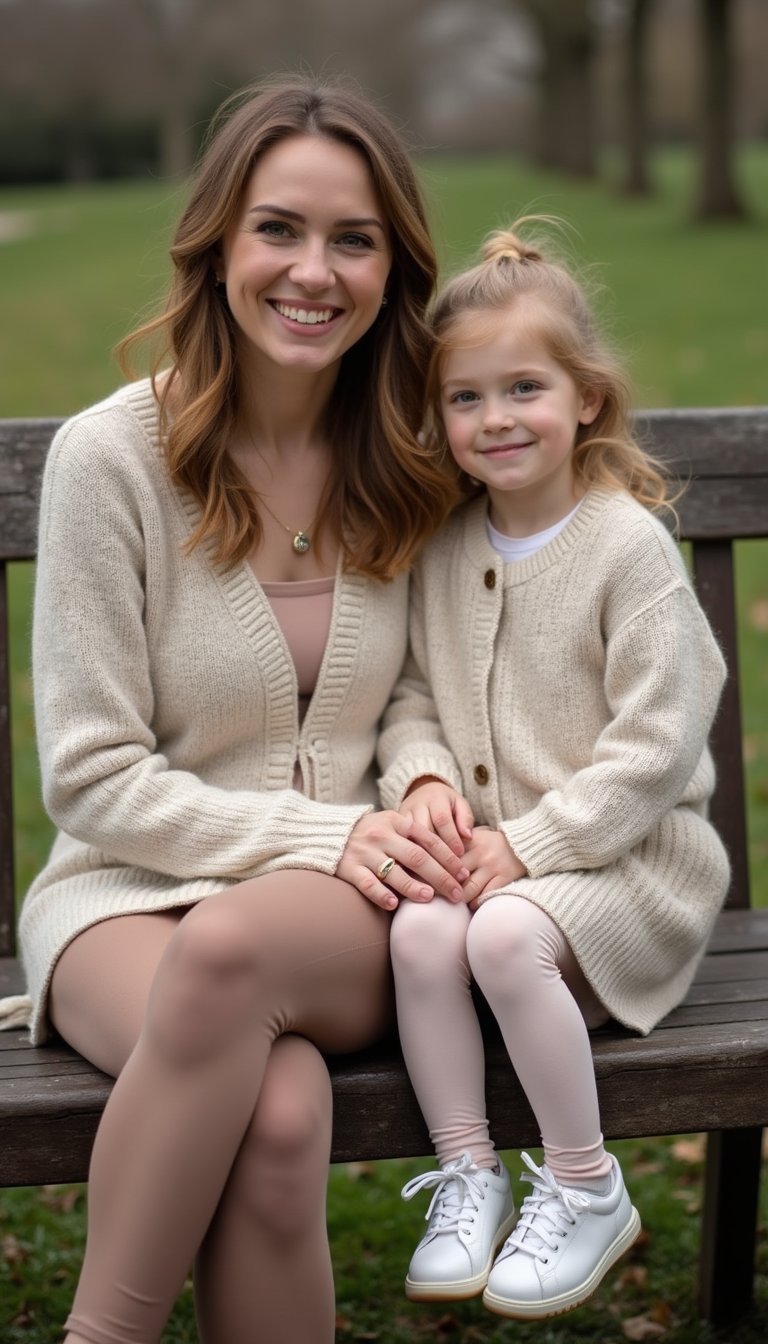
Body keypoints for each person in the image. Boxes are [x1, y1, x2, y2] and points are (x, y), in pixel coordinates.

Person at [5, 75, 469, 1344]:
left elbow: (429, 685)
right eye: (279, 228)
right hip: (127, 891)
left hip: (343, 915)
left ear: (391, 270)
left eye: (353, 239)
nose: (312, 271)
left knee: (236, 955)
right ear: (217, 245)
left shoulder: (412, 455)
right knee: (277, 1111)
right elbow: (92, 780)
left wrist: (423, 781)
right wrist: (327, 836)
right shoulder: (113, 463)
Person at [377, 219, 731, 1321]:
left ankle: (585, 1184)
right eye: (466, 398)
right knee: (421, 929)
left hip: (632, 869)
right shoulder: (444, 548)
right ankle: (470, 1171)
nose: (495, 419)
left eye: (523, 387)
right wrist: (425, 781)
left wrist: (530, 844)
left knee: (494, 930)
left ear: (585, 398)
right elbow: (412, 696)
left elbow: (655, 746)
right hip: (500, 871)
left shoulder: (627, 548)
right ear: (440, 421)